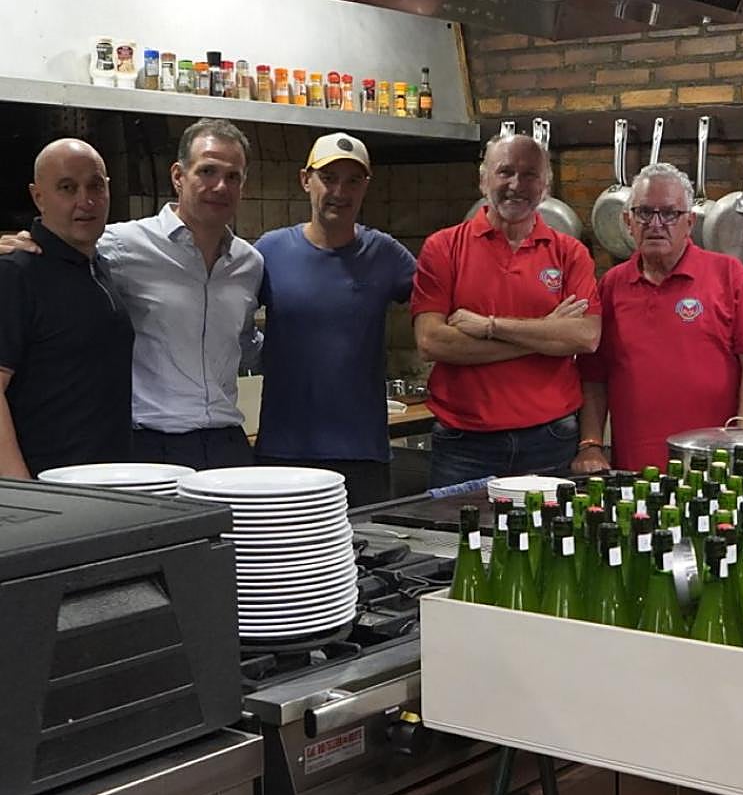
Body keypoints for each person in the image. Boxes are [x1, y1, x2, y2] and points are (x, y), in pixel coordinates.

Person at [0, 118, 262, 471]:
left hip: (226, 442)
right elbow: (60, 240)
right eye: (207, 171)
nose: (220, 186)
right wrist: (12, 244)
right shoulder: (120, 245)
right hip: (150, 444)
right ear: (178, 176)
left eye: (233, 177)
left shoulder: (251, 263)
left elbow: (245, 343)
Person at [412, 131, 600, 489]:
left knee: (550, 545)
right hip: (464, 443)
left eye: (530, 174)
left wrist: (489, 326)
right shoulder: (443, 247)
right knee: (456, 543)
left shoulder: (570, 252)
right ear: (483, 181)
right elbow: (432, 343)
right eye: (505, 172)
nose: (517, 184)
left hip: (551, 440)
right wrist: (546, 332)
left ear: (545, 185)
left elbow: (585, 336)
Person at [572, 162, 743, 473]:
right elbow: (593, 375)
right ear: (628, 221)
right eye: (644, 212)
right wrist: (591, 445)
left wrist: (742, 441)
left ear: (690, 222)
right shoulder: (611, 284)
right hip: (635, 469)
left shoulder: (728, 273)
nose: (656, 223)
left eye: (669, 213)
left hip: (716, 466)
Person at [254, 133, 415, 506]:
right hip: (284, 451)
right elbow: (227, 315)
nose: (340, 191)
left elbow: (440, 303)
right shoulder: (270, 251)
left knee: (362, 558)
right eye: (328, 178)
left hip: (361, 454)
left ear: (366, 187)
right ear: (305, 180)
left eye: (353, 181)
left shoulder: (385, 254)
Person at [0, 139, 133, 477]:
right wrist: (24, 491)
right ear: (38, 196)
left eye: (95, 185)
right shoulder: (16, 272)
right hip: (50, 492)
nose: (85, 201)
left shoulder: (99, 266)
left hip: (109, 485)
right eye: (66, 187)